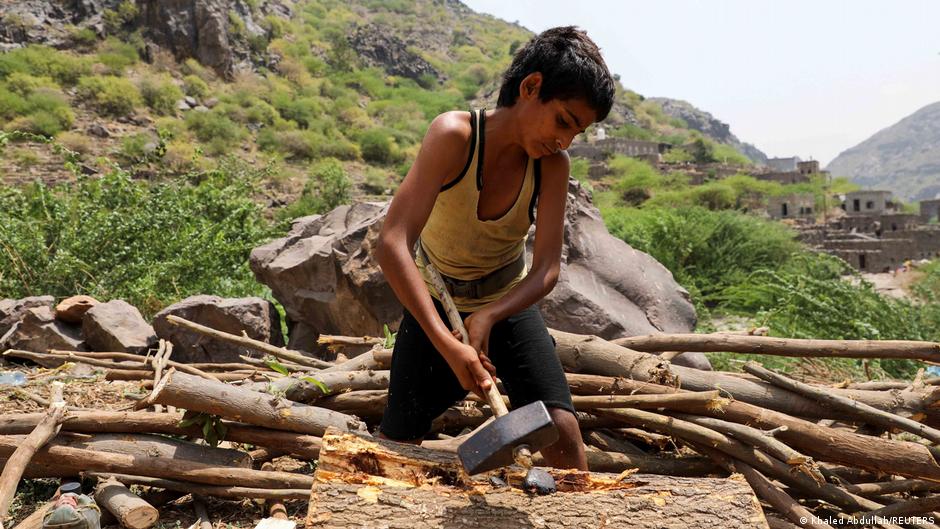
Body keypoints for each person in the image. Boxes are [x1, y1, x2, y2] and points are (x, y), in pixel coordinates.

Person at [374, 26, 615, 470]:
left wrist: (488, 315)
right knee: (395, 445)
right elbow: (392, 243)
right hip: (436, 303)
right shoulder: (454, 136)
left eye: (577, 132)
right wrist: (449, 343)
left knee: (562, 435)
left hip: (504, 305)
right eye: (563, 120)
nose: (565, 141)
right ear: (530, 87)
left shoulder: (552, 167)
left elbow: (545, 271)